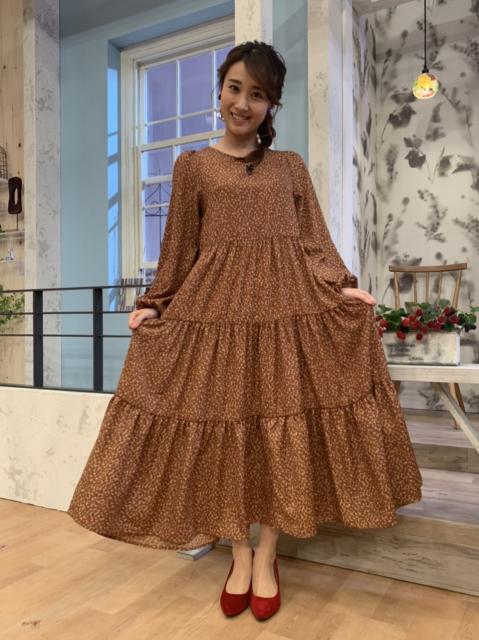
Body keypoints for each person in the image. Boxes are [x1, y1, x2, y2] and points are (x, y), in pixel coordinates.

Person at [67, 40, 422, 621]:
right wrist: (156, 303)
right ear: (220, 91)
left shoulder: (290, 166)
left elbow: (313, 240)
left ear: (271, 104)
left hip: (285, 311)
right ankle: (238, 554)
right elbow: (179, 247)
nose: (243, 102)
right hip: (217, 316)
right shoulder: (193, 166)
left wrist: (340, 288)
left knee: (280, 429)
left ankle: (267, 557)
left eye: (257, 94)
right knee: (229, 433)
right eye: (235, 88)